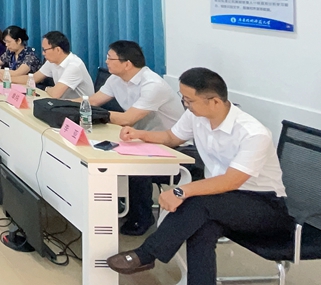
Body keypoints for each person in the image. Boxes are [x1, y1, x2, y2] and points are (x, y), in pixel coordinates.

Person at [107, 68, 290, 285]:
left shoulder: (253, 133)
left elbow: (232, 181)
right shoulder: (196, 116)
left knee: (198, 203)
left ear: (215, 101)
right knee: (202, 228)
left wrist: (180, 191)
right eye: (183, 98)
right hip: (221, 200)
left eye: (189, 100)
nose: (185, 105)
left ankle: (147, 254)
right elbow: (171, 137)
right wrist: (139, 134)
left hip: (264, 206)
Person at [85, 41, 185, 235]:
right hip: (140, 138)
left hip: (172, 145)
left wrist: (95, 114)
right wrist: (62, 105)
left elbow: (127, 119)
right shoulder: (116, 79)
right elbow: (93, 101)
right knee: (99, 152)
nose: (106, 62)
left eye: (110, 58)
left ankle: (141, 218)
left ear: (127, 64)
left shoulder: (152, 85)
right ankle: (114, 204)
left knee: (134, 166)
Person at [15, 31, 94, 99]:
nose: (43, 53)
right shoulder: (52, 61)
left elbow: (55, 94)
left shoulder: (74, 66)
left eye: (45, 50)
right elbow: (34, 78)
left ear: (58, 50)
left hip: (81, 108)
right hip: (64, 103)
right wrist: (10, 79)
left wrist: (46, 88)